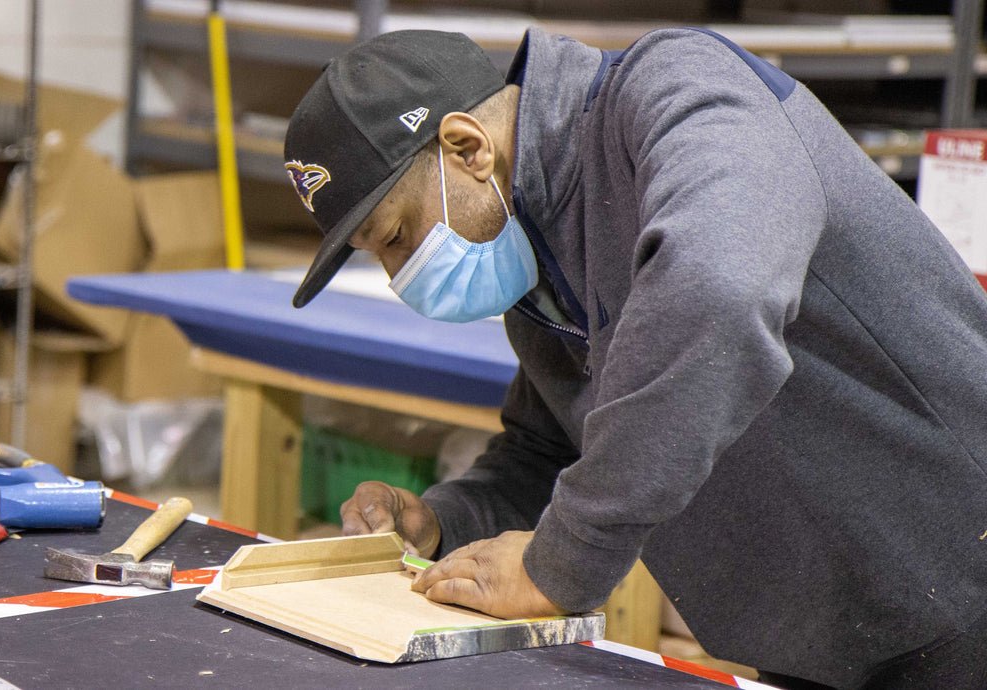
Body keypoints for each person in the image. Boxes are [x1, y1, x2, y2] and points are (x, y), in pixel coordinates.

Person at [281, 26, 987, 690]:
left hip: (958, 586)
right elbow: (554, 449)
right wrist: (444, 524)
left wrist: (559, 564)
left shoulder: (681, 94)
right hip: (830, 631)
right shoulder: (540, 254)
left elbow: (718, 293)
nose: (403, 277)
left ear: (468, 148)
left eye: (398, 237)